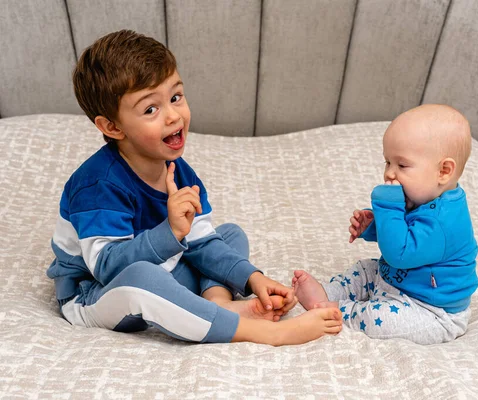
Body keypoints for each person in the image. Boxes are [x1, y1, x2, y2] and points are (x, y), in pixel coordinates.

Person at [47, 30, 342, 346]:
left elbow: (201, 242)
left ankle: (217, 304)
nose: (174, 116)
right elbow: (107, 267)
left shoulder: (178, 170)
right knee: (144, 279)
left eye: (175, 97)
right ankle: (264, 332)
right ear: (113, 126)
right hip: (97, 292)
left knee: (228, 235)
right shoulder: (97, 185)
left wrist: (254, 279)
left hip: (162, 269)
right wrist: (171, 232)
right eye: (151, 109)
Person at [292, 104, 478, 344]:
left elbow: (398, 254)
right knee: (365, 269)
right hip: (396, 280)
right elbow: (403, 230)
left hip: (429, 309)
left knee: (380, 318)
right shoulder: (425, 194)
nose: (390, 174)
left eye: (402, 165)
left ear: (443, 171)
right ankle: (328, 292)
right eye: (387, 163)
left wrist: (387, 207)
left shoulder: (443, 222)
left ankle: (335, 309)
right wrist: (372, 226)